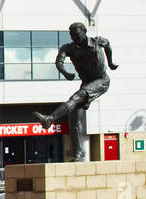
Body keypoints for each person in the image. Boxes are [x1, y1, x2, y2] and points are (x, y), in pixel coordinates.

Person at [34, 22, 118, 162]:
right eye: (72, 35)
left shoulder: (97, 41)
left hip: (101, 80)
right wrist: (65, 73)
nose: (74, 37)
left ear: (84, 32)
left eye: (77, 34)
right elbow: (59, 62)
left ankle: (50, 119)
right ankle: (79, 154)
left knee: (75, 97)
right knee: (74, 119)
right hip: (86, 83)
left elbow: (107, 45)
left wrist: (110, 62)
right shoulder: (69, 48)